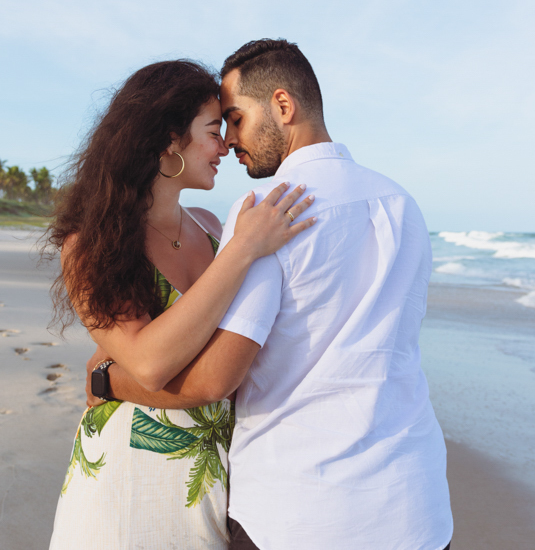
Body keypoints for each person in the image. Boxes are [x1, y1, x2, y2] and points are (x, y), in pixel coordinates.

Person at [87, 40, 454, 550]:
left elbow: (216, 378)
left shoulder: (267, 208)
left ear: (283, 106)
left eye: (235, 119)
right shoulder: (401, 203)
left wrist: (109, 382)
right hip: (416, 506)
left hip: (303, 511)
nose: (230, 141)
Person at [45, 59, 316, 550]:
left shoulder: (214, 227)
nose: (227, 144)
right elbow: (150, 362)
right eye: (215, 130)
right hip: (129, 479)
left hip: (220, 479)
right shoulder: (91, 243)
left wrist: (110, 376)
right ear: (171, 139)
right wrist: (243, 250)